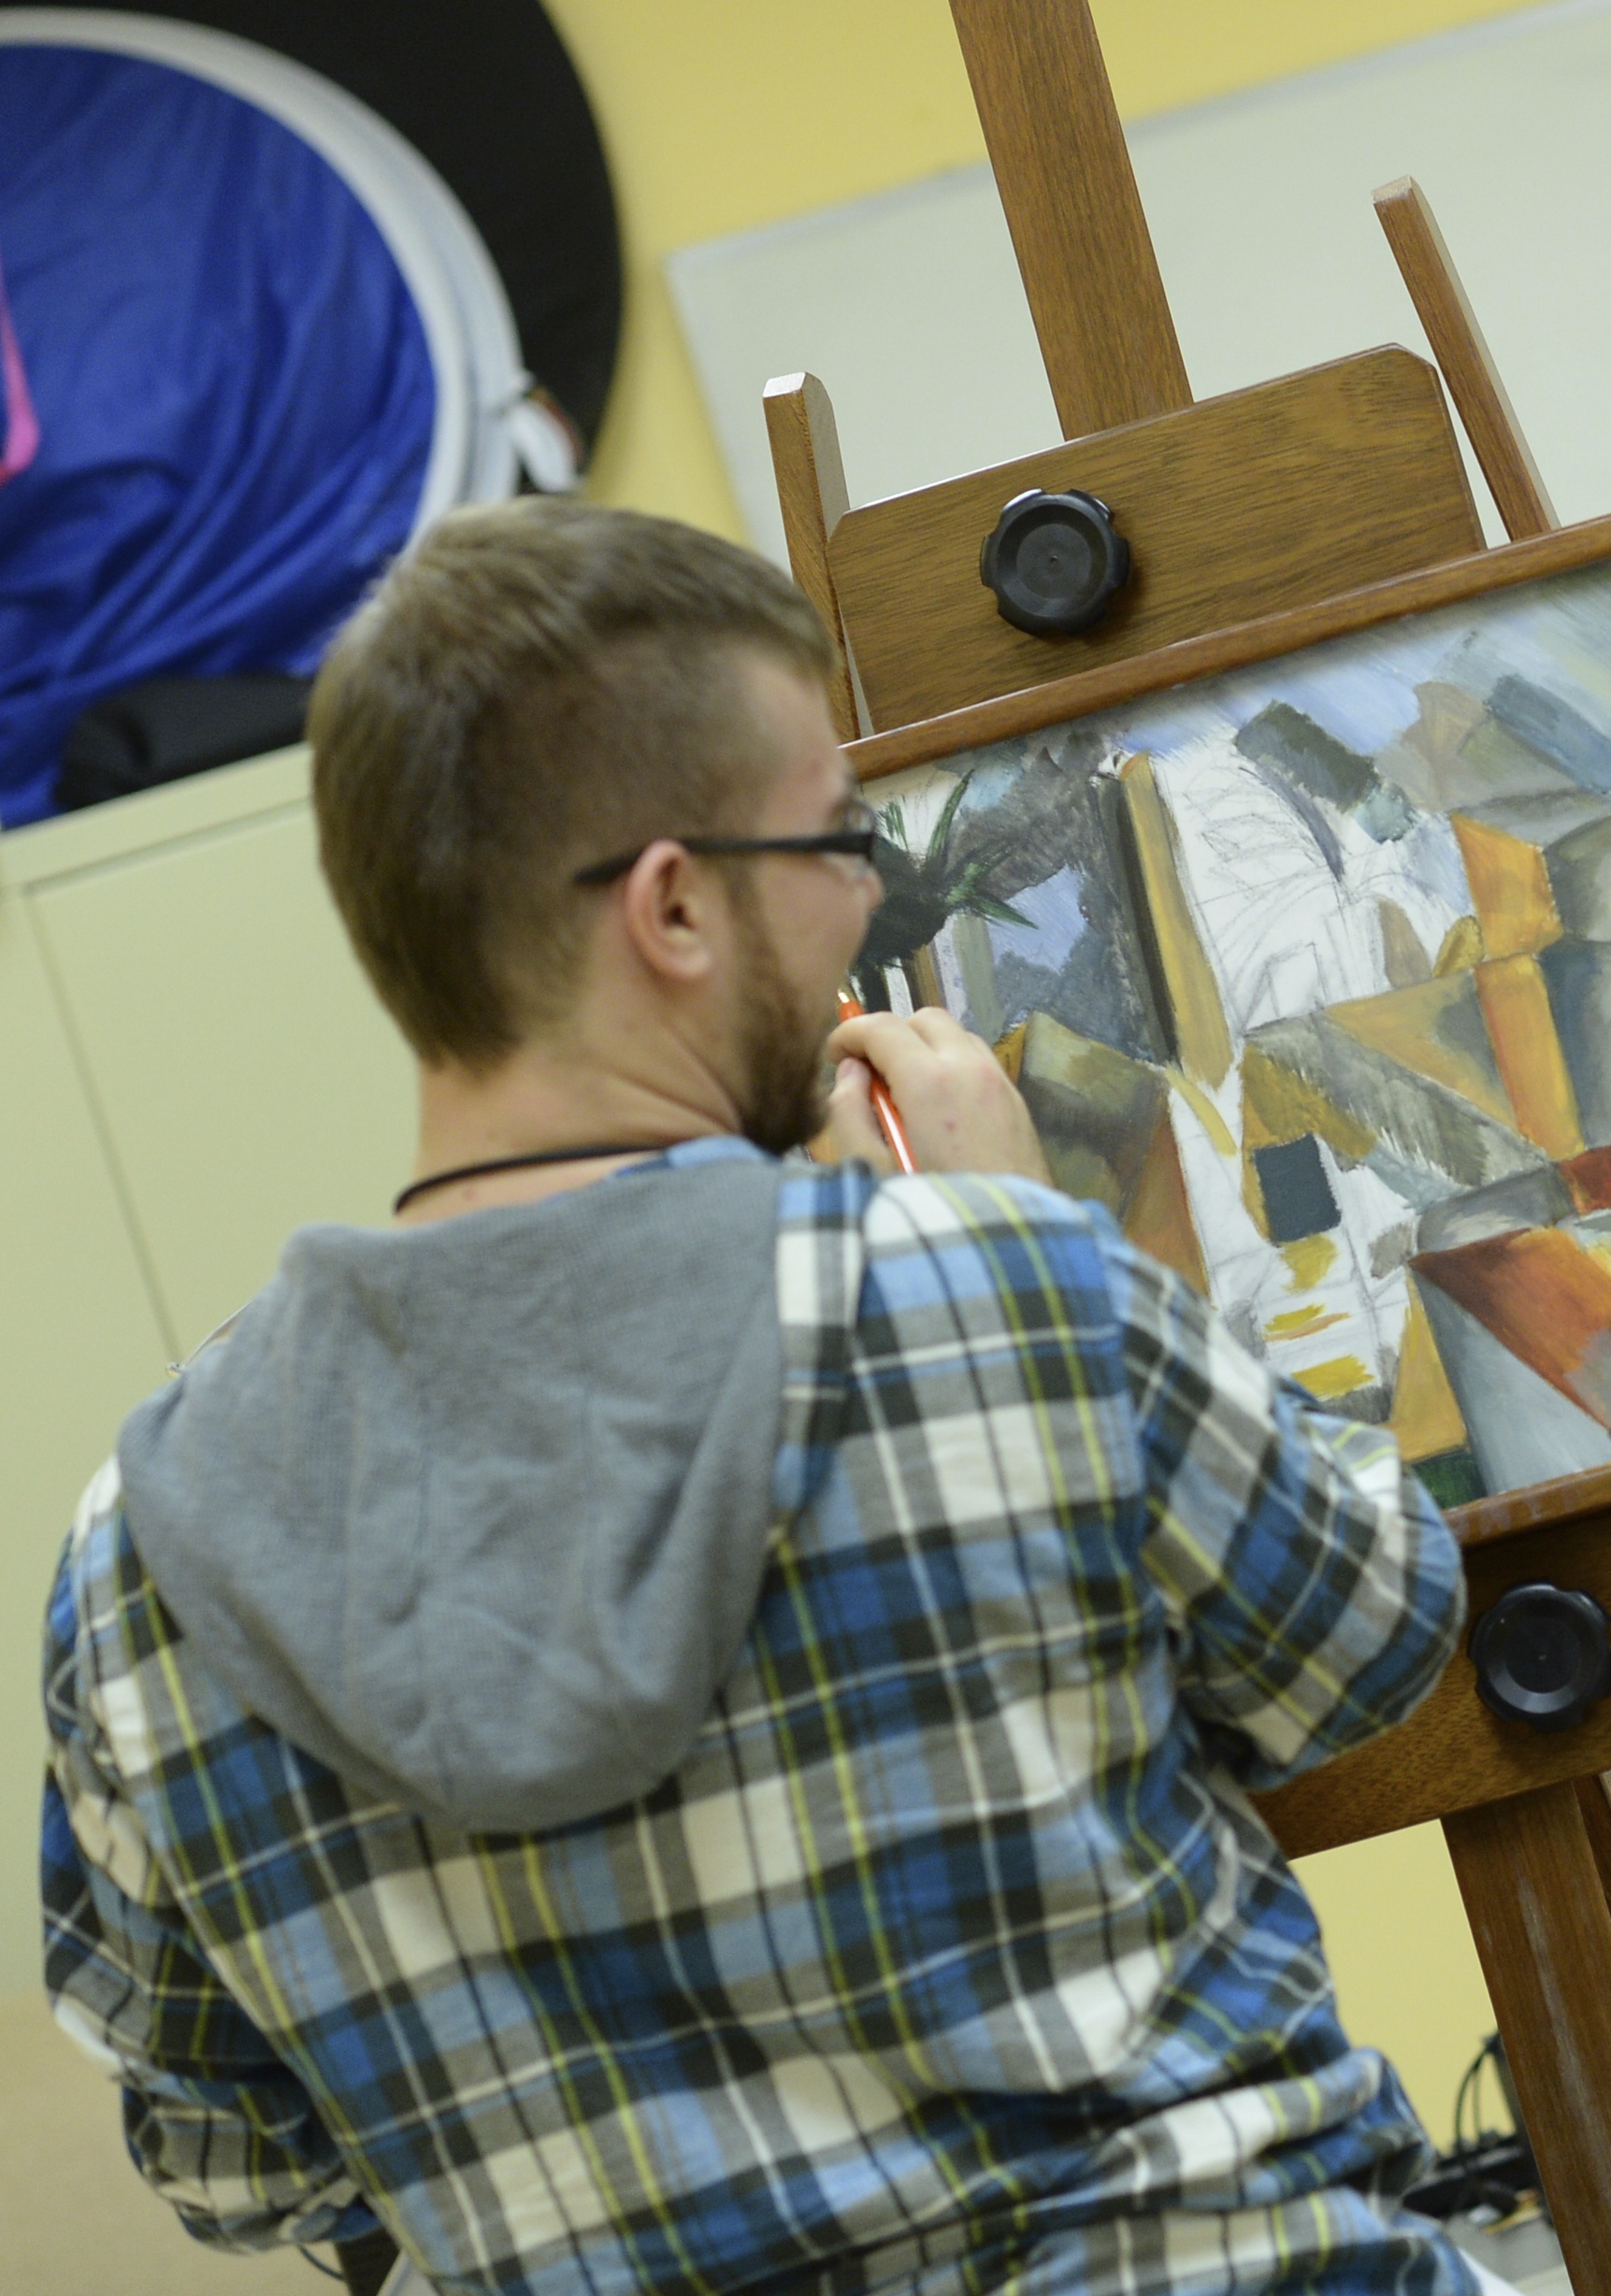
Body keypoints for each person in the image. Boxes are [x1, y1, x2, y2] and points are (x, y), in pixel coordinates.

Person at [37, 497, 1476, 2295]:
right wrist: (1044, 1232)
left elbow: (237, 2168)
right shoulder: (989, 1297)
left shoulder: (142, 1563)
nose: (869, 897)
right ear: (674, 906)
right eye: (834, 841)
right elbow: (1367, 1629)